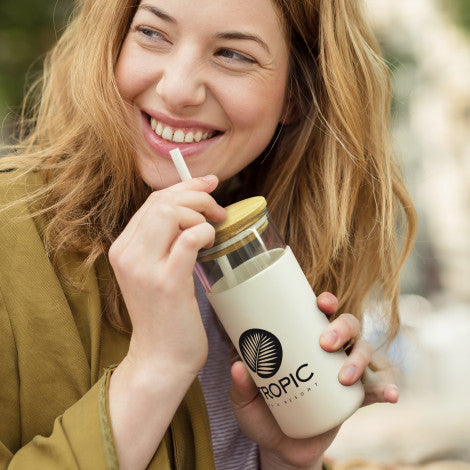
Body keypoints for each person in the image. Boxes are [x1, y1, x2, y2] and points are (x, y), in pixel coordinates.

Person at [0, 0, 417, 469]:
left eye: (233, 54)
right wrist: (156, 368)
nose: (177, 89)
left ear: (297, 96)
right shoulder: (9, 236)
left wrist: (284, 457)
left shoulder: (279, 253)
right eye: (153, 33)